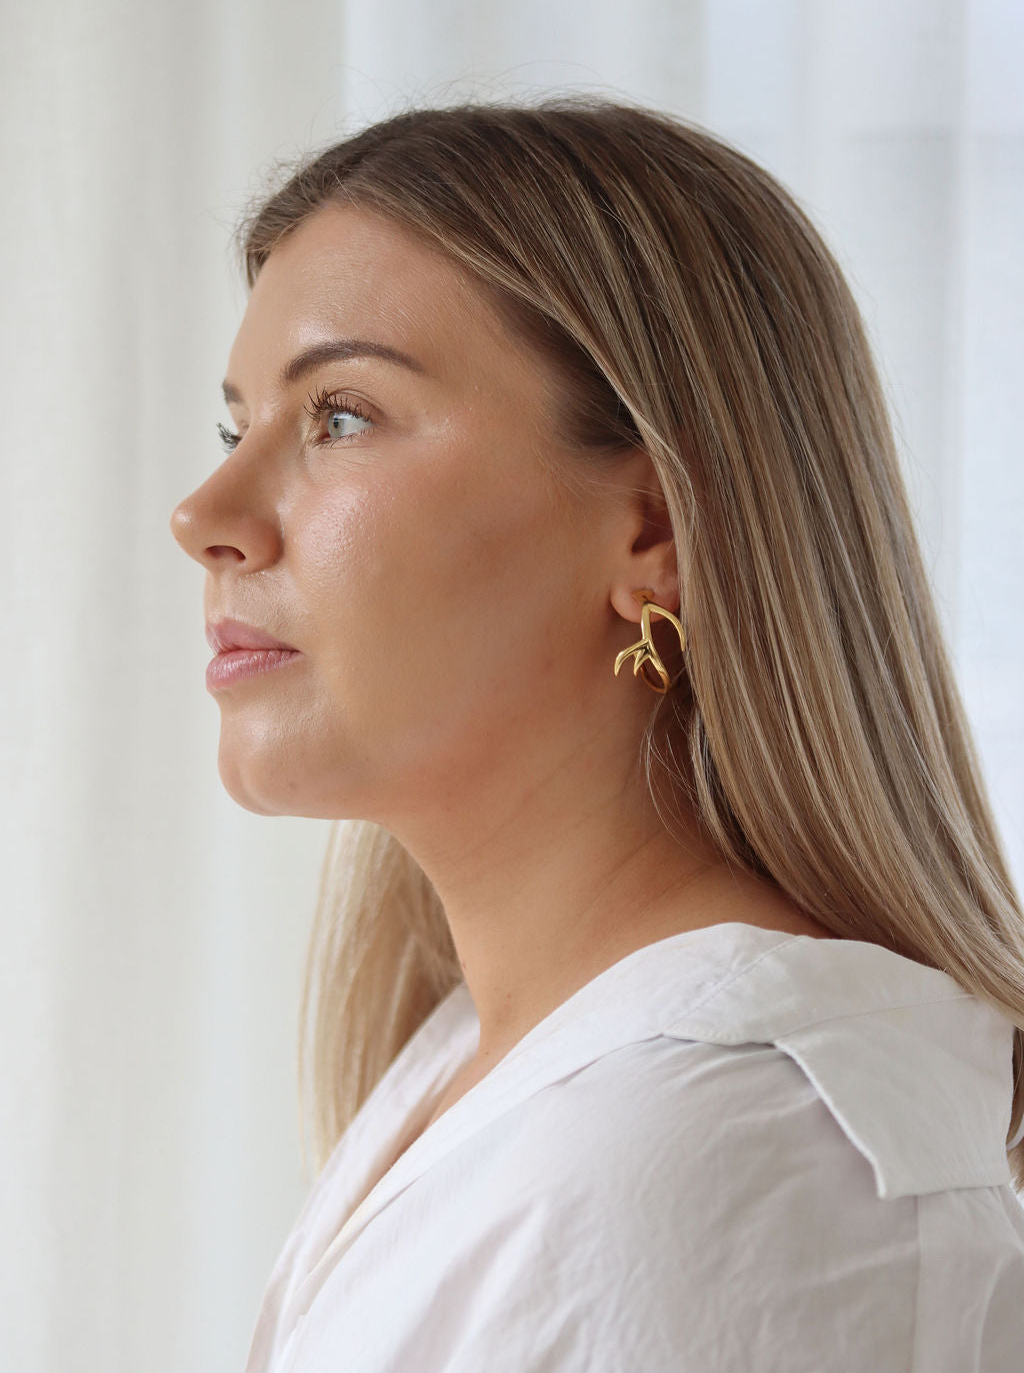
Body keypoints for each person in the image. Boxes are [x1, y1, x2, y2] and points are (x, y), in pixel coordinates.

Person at [169, 98, 1024, 1371]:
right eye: (238, 429)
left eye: (338, 416)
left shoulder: (716, 1153)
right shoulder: (490, 1061)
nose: (207, 514)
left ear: (651, 532)